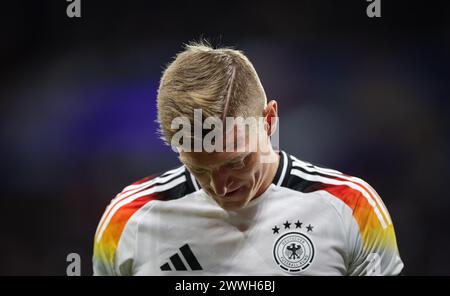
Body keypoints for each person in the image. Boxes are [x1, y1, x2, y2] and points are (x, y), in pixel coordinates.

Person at [93, 41, 404, 275]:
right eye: (199, 169)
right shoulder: (127, 219)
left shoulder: (353, 208)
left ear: (269, 120)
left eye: (235, 162)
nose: (220, 186)